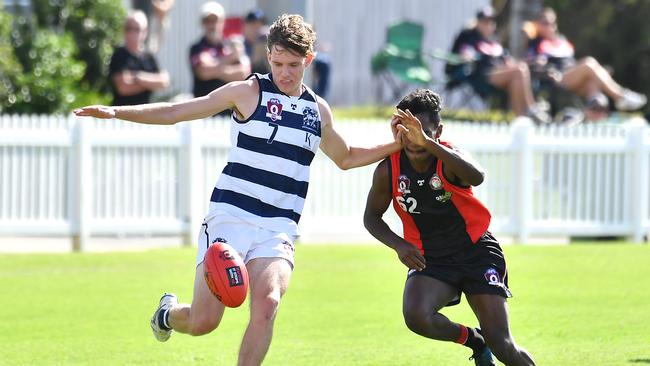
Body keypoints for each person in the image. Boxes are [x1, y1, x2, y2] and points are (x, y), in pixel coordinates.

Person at [74, 14, 402, 366]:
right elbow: (176, 111)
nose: (284, 72)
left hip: (278, 227)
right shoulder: (247, 92)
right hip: (230, 217)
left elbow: (347, 157)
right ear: (267, 55)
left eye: (293, 64)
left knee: (269, 302)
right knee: (204, 323)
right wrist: (115, 111)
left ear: (308, 60)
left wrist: (398, 145)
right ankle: (168, 313)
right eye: (277, 63)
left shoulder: (317, 111)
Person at [363, 89, 536, 366]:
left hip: (476, 253)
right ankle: (474, 340)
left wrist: (430, 144)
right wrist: (399, 244)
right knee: (417, 316)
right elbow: (371, 217)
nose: (414, 140)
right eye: (408, 131)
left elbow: (477, 177)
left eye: (423, 132)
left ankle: (488, 341)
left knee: (502, 344)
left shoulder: (448, 158)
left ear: (438, 130)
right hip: (432, 259)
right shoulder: (389, 170)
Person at [526, 7, 647, 112]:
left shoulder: (561, 40)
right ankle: (620, 96)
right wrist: (539, 62)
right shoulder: (536, 42)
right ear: (538, 24)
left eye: (552, 22)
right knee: (589, 63)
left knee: (593, 81)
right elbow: (532, 63)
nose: (550, 26)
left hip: (572, 75)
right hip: (556, 79)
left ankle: (593, 116)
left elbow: (570, 61)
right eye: (545, 22)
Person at [446, 6, 548, 123]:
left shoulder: (493, 41)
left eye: (491, 21)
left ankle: (521, 121)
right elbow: (464, 54)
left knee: (518, 72)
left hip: (501, 73)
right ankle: (532, 108)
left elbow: (506, 59)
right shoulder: (469, 36)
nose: (489, 24)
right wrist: (467, 56)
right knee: (519, 71)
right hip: (481, 76)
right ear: (478, 22)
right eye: (485, 21)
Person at [190, 1, 250, 99]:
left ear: (223, 22)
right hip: (203, 107)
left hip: (229, 107)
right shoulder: (197, 48)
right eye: (207, 21)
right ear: (202, 23)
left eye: (215, 20)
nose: (211, 25)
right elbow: (204, 71)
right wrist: (230, 58)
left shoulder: (232, 45)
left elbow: (244, 73)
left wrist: (214, 66)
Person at [108, 10, 170, 106]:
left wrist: (137, 77)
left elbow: (163, 82)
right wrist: (150, 84)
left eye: (136, 29)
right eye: (129, 29)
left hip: (145, 114)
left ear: (145, 32)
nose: (132, 33)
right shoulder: (119, 55)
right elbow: (123, 88)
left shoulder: (148, 57)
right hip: (123, 114)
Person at [243, 9, 271, 74]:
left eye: (260, 25)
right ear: (245, 26)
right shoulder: (239, 44)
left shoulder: (269, 45)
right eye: (253, 25)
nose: (257, 29)